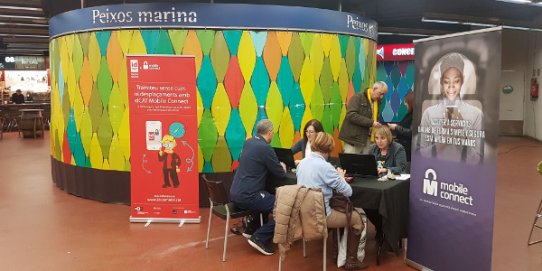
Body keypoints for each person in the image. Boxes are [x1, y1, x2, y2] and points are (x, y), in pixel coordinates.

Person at [296, 132, 368, 270]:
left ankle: (337, 253)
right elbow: (348, 191)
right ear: (328, 149)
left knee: (338, 210)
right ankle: (351, 261)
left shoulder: (302, 164)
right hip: (322, 217)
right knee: (357, 219)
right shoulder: (326, 167)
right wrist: (340, 176)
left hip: (303, 215)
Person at [230, 119, 287, 256]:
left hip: (235, 193)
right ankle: (259, 237)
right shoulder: (266, 148)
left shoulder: (248, 142)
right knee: (285, 208)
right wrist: (283, 167)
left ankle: (251, 229)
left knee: (265, 195)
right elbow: (279, 173)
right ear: (270, 132)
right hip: (249, 196)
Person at [418, 53, 483, 164]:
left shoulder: (475, 114)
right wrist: (443, 142)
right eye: (446, 81)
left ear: (462, 81)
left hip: (464, 176)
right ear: (441, 83)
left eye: (456, 81)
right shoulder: (429, 113)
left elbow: (478, 159)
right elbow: (420, 153)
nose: (451, 86)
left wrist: (460, 136)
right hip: (436, 173)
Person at [367, 126, 407, 242]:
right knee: (366, 200)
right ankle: (380, 227)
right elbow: (367, 164)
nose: (379, 141)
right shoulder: (372, 149)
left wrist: (385, 169)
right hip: (375, 183)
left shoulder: (398, 148)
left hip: (392, 185)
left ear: (388, 138)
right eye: (377, 138)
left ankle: (386, 228)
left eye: (382, 138)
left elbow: (401, 168)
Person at [339, 81, 388, 154]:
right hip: (354, 139)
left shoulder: (377, 102)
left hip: (368, 139)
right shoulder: (358, 97)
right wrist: (371, 123)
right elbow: (351, 115)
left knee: (364, 163)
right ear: (374, 88)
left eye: (383, 94)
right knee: (350, 162)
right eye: (381, 93)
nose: (381, 97)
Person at [388, 91, 414, 162]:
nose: (405, 104)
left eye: (406, 102)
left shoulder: (415, 115)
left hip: (408, 151)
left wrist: (396, 127)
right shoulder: (409, 114)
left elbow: (411, 132)